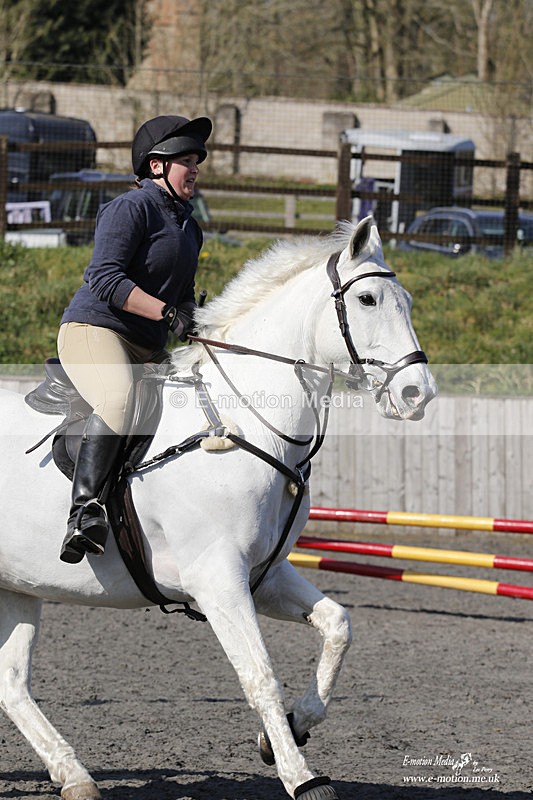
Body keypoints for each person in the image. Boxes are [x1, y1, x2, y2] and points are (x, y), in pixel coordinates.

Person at [57, 114, 212, 564]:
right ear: (156, 166)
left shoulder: (189, 225)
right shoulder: (131, 208)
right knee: (120, 399)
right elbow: (104, 278)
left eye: (197, 161)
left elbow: (182, 296)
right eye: (187, 160)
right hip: (96, 330)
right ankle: (83, 510)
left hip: (147, 344)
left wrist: (196, 321)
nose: (196, 168)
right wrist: (165, 312)